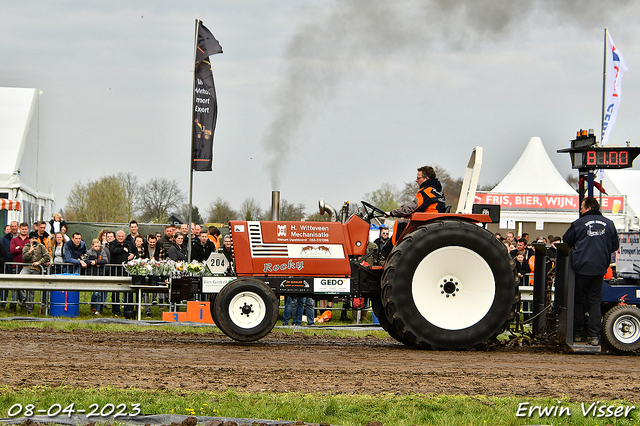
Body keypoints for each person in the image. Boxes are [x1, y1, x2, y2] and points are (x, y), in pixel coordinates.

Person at [563, 197, 619, 346]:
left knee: (578, 300)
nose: (580, 210)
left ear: (587, 208)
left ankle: (578, 333)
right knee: (595, 302)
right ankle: (594, 336)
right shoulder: (609, 223)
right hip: (600, 267)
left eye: (581, 207)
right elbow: (615, 245)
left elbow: (566, 239)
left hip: (581, 267)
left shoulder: (578, 223)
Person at [384, 166, 445, 244]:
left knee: (400, 223)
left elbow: (411, 208)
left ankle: (393, 251)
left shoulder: (427, 191)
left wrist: (392, 213)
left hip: (428, 220)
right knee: (406, 218)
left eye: (418, 178)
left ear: (426, 178)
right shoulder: (437, 190)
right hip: (431, 218)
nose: (416, 180)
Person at [20, 234, 50, 313]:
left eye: (35, 238)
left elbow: (47, 256)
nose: (34, 240)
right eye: (32, 238)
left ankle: (30, 308)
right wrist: (30, 251)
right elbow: (23, 258)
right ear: (29, 239)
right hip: (26, 267)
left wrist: (39, 262)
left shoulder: (41, 247)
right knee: (19, 281)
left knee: (31, 288)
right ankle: (24, 299)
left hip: (36, 268)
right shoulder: (26, 247)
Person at [109, 230, 135, 317]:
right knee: (115, 291)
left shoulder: (130, 243)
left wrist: (133, 255)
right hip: (116, 271)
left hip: (127, 271)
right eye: (119, 236)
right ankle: (116, 310)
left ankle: (128, 310)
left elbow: (135, 253)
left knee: (128, 291)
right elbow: (113, 251)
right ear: (116, 236)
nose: (121, 238)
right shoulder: (112, 244)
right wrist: (123, 249)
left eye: (122, 236)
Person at [86, 239, 109, 314]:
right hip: (92, 274)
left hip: (100, 274)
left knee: (99, 293)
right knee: (95, 293)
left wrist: (96, 262)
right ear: (92, 246)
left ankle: (98, 310)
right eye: (96, 246)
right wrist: (91, 262)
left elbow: (105, 260)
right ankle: (93, 307)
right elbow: (85, 260)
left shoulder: (102, 251)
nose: (97, 247)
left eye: (99, 246)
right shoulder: (89, 252)